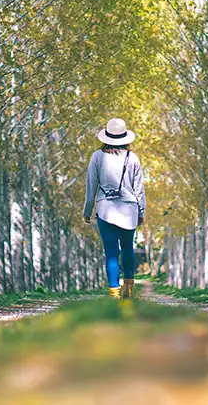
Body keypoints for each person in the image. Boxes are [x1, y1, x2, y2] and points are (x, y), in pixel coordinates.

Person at [83, 118, 146, 299]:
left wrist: (87, 211)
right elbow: (139, 189)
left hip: (105, 210)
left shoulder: (97, 156)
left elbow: (91, 186)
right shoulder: (132, 158)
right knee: (127, 249)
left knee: (111, 252)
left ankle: (114, 294)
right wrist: (141, 212)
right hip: (129, 211)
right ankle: (129, 291)